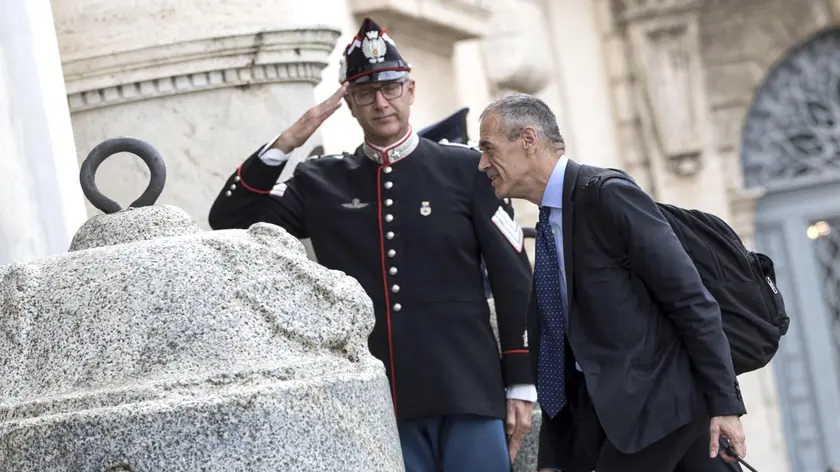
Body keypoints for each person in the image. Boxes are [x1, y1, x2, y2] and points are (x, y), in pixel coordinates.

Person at [208, 17, 536, 472]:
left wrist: (520, 382)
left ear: (411, 90)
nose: (381, 103)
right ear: (349, 104)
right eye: (365, 93)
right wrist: (292, 138)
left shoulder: (466, 171)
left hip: (467, 390)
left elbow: (514, 279)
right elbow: (229, 217)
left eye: (391, 88)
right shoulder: (321, 182)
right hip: (379, 402)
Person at [475, 93, 748, 472]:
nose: (482, 162)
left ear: (528, 139)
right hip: (614, 421)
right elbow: (558, 347)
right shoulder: (549, 222)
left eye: (488, 148)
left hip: (660, 410)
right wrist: (555, 456)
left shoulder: (606, 195)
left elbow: (690, 299)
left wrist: (725, 403)